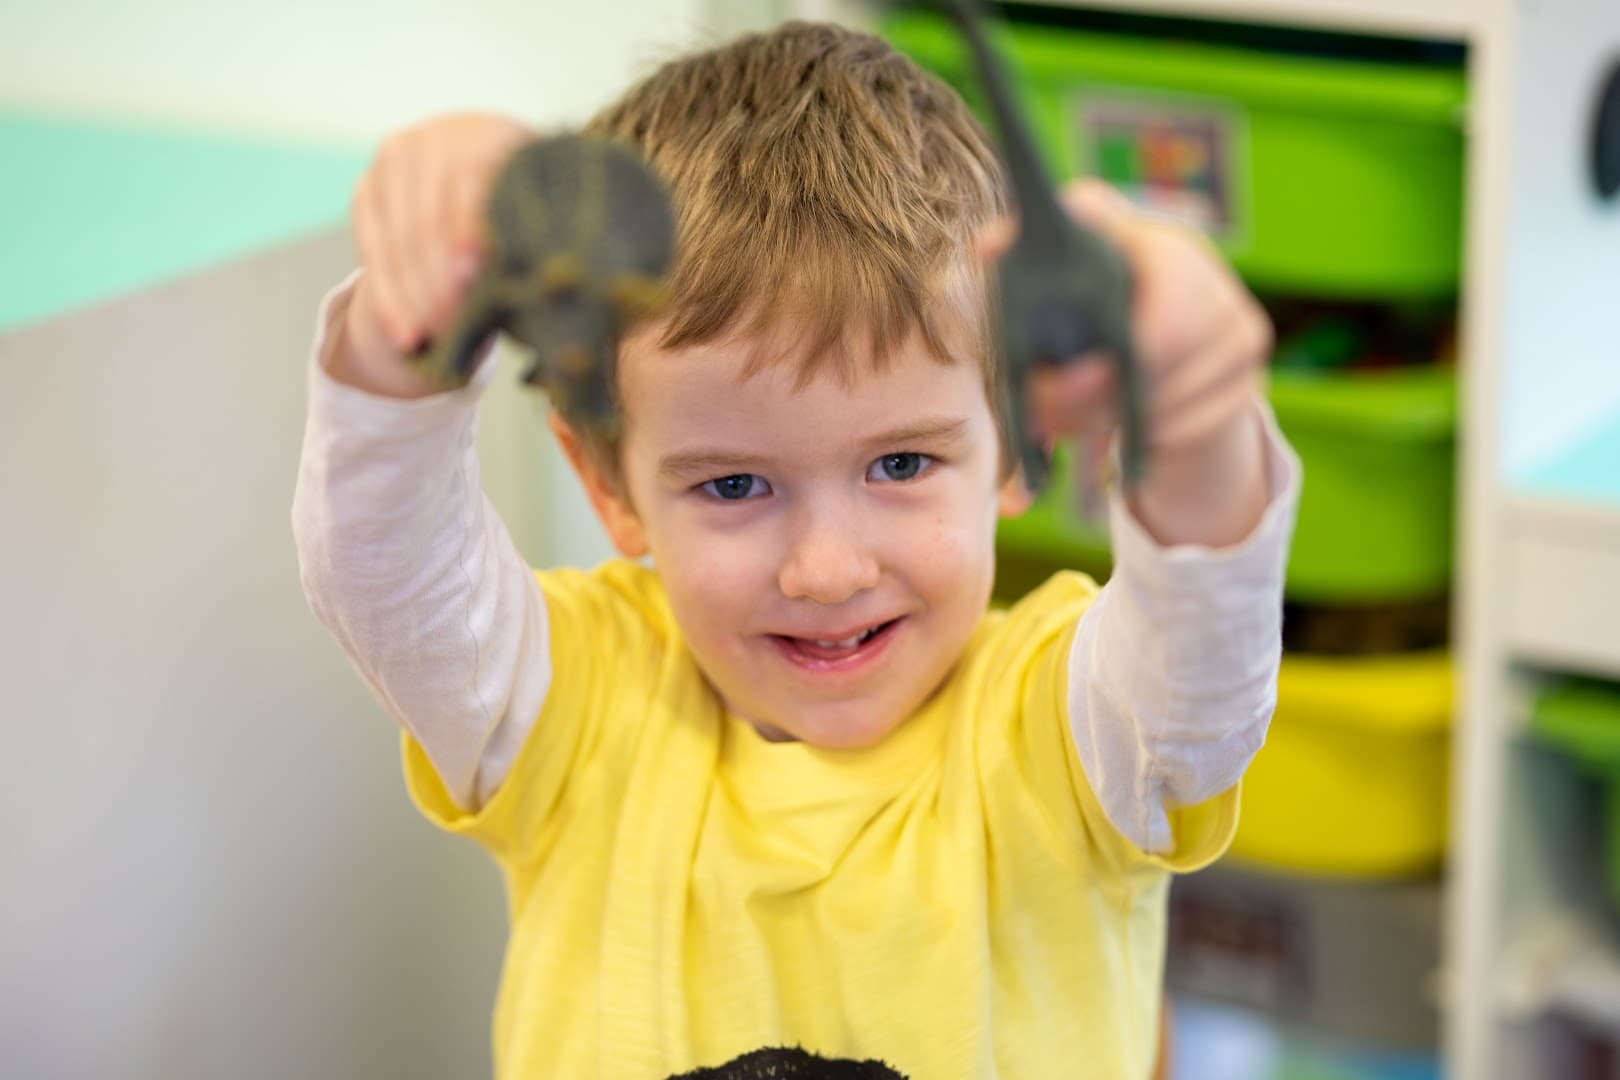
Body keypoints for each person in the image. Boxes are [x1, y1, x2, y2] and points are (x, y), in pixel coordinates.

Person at [292, 20, 1298, 1079]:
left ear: (1021, 444)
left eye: (902, 466)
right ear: (608, 488)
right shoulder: (570, 708)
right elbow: (386, 575)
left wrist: (1197, 419)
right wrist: (411, 325)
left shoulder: (1070, 735)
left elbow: (1204, 672)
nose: (827, 570)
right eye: (734, 484)